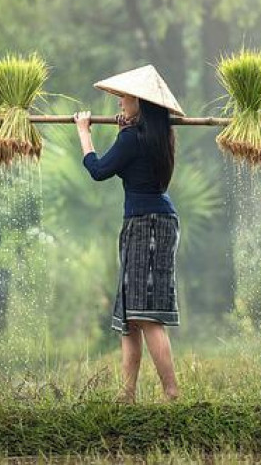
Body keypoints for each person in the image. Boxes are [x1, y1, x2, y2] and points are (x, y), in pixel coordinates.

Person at [73, 65, 185, 404]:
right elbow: (131, 153)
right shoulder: (157, 135)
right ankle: (127, 394)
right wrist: (125, 129)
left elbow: (98, 170)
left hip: (147, 224)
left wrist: (84, 131)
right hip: (149, 220)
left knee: (144, 314)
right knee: (130, 316)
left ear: (140, 101)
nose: (119, 102)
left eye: (124, 97)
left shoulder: (133, 138)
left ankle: (171, 392)